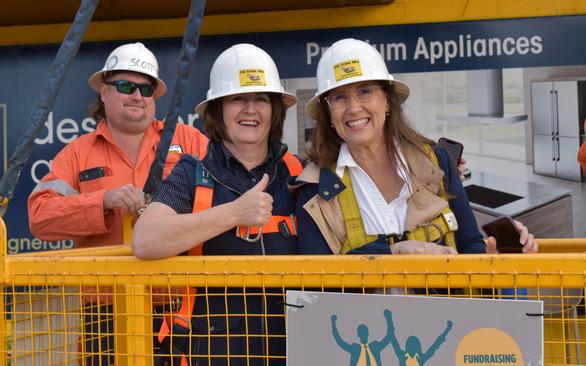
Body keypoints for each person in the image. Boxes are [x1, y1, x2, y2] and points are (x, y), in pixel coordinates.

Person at [27, 42, 209, 365]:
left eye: (146, 88)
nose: (138, 96)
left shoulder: (189, 141)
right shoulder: (77, 153)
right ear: (103, 91)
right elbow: (40, 216)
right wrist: (103, 201)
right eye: (126, 86)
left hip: (182, 310)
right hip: (106, 316)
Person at [132, 43, 302, 365]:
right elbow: (145, 239)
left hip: (290, 348)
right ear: (218, 110)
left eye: (261, 99)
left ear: (274, 110)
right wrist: (235, 213)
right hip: (212, 350)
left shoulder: (297, 173)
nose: (250, 109)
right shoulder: (192, 172)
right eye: (238, 98)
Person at [293, 38, 537, 256]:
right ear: (328, 115)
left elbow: (469, 246)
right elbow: (320, 282)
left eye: (365, 91)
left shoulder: (436, 161)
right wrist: (392, 252)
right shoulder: (315, 188)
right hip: (360, 309)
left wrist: (494, 258)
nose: (354, 108)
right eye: (339, 97)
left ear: (387, 100)